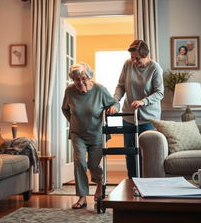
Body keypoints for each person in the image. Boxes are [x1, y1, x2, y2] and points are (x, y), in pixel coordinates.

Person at [61, 62, 119, 209]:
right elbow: (65, 109)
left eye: (83, 78)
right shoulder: (70, 91)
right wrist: (73, 121)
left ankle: (99, 183)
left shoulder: (99, 90)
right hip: (77, 134)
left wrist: (113, 107)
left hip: (97, 134)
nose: (80, 83)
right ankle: (82, 197)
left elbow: (115, 103)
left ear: (89, 77)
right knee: (80, 162)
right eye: (76, 80)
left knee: (93, 165)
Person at [107, 39, 164, 179]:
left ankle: (148, 184)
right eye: (132, 58)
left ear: (146, 54)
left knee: (147, 154)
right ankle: (132, 182)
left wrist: (144, 101)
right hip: (129, 116)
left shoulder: (155, 68)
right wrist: (115, 101)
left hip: (148, 118)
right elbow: (121, 86)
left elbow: (159, 92)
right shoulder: (128, 64)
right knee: (130, 152)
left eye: (137, 58)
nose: (134, 61)